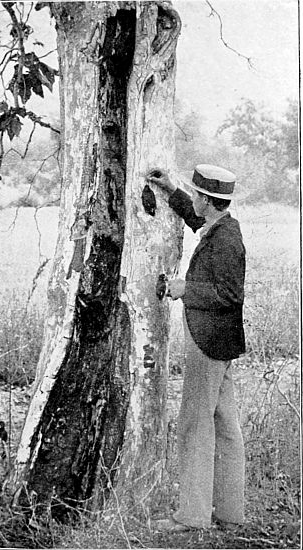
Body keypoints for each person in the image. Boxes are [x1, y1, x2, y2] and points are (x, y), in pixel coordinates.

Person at [147, 164, 246, 532]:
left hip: (208, 341)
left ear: (207, 199)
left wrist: (184, 289)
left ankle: (191, 516)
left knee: (195, 424)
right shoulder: (222, 226)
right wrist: (172, 190)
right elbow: (196, 219)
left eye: (197, 195)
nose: (195, 200)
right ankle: (230, 512)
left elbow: (230, 295)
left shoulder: (225, 240)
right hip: (220, 342)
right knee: (225, 426)